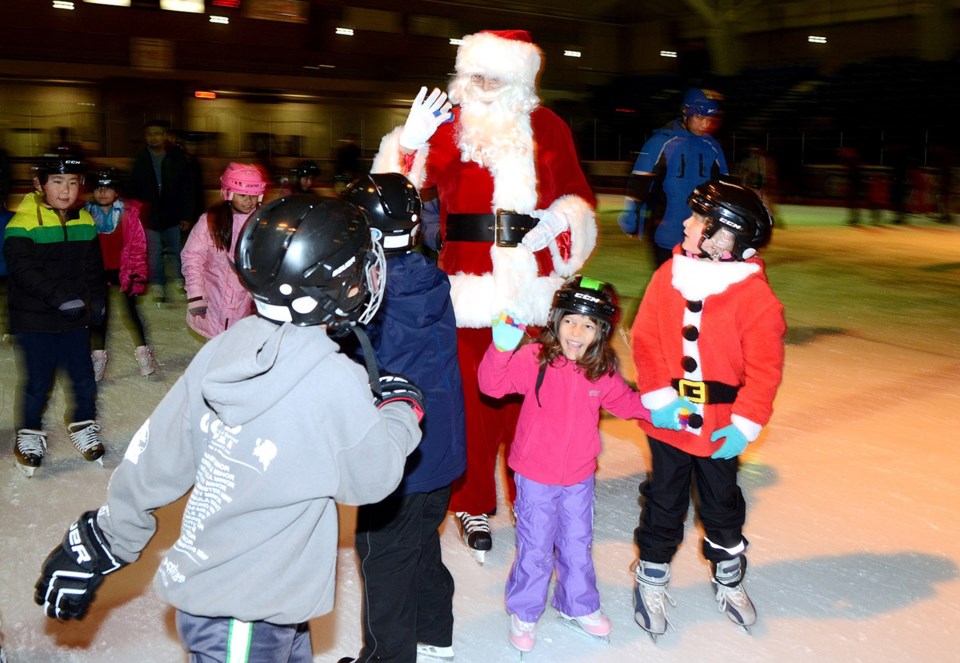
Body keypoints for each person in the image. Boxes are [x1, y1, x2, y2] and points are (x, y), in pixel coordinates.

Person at [34, 195, 426, 663]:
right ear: (335, 284)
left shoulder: (228, 346)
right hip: (246, 614)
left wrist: (110, 534)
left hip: (254, 597)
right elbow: (373, 475)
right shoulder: (336, 380)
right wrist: (400, 411)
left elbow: (161, 449)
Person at [371, 29, 597, 559]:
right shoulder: (448, 125)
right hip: (468, 288)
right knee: (471, 406)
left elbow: (578, 196)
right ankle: (473, 500)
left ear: (519, 78)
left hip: (536, 288)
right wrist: (408, 143)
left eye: (493, 77)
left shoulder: (548, 127)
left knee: (535, 404)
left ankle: (534, 495)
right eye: (473, 75)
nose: (480, 86)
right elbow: (391, 195)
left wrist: (559, 222)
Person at [629, 181, 785, 640]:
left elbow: (765, 370)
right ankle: (652, 574)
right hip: (669, 421)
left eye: (697, 220)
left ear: (724, 238)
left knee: (721, 504)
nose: (684, 224)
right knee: (664, 499)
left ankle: (729, 574)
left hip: (720, 426)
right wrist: (658, 396)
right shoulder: (669, 275)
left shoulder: (754, 297)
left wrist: (745, 422)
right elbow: (646, 340)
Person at [478, 276, 668, 653]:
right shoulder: (535, 359)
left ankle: (577, 605)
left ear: (601, 332)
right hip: (534, 475)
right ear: (556, 320)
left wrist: (660, 411)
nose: (576, 331)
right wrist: (500, 348)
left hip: (579, 476)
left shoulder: (602, 370)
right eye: (570, 320)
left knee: (577, 544)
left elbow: (627, 404)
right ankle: (525, 611)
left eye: (589, 324)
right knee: (535, 546)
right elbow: (492, 385)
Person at [338, 173, 466, 663]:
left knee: (385, 558)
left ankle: (386, 658)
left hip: (399, 457)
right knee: (420, 546)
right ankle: (436, 631)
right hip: (443, 451)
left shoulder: (369, 301)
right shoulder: (431, 279)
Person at [3, 151, 107, 476]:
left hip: (75, 319)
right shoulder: (22, 223)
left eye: (73, 182)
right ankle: (29, 434)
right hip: (35, 320)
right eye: (57, 181)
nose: (66, 190)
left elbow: (93, 269)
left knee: (84, 379)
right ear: (39, 183)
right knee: (38, 383)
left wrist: (98, 301)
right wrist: (61, 297)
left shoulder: (85, 220)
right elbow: (24, 271)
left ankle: (82, 424)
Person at [618, 88, 729, 266]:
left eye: (710, 119)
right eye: (700, 118)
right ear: (686, 113)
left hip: (700, 237)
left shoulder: (712, 146)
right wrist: (631, 218)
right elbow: (639, 183)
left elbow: (725, 188)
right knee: (666, 287)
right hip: (666, 233)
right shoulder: (662, 141)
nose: (705, 125)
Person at [84, 167, 159, 380]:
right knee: (99, 316)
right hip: (97, 273)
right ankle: (98, 357)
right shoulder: (86, 214)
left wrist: (138, 273)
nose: (103, 193)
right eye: (98, 189)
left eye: (108, 189)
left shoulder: (128, 213)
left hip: (124, 271)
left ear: (116, 191)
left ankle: (143, 353)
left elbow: (138, 245)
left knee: (131, 313)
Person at [181, 163, 265, 339]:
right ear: (229, 192)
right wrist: (196, 294)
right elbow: (192, 257)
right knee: (217, 348)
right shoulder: (211, 221)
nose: (249, 201)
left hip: (246, 304)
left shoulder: (263, 223)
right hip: (214, 301)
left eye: (253, 196)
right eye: (243, 195)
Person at [128, 119, 197, 303]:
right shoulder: (140, 159)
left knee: (177, 250)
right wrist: (135, 214)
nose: (153, 137)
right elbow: (132, 188)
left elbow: (187, 188)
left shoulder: (177, 157)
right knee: (154, 252)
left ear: (164, 135)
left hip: (172, 214)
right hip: (149, 216)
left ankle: (180, 281)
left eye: (157, 133)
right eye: (150, 133)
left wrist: (186, 215)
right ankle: (158, 283)